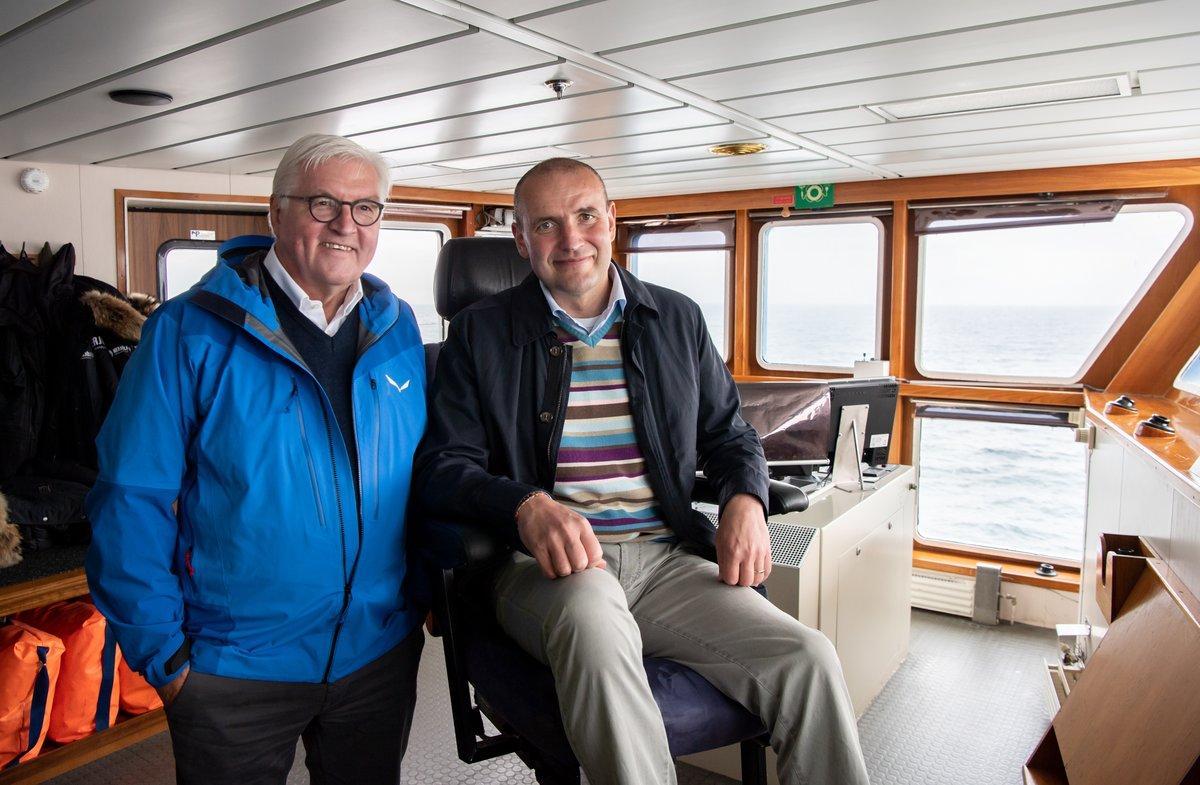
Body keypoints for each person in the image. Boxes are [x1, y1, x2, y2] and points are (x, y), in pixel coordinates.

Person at [414, 158, 869, 785]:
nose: (571, 240)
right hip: (545, 570)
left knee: (809, 658)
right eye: (546, 225)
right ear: (520, 240)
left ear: (611, 220)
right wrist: (525, 506)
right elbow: (444, 467)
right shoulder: (477, 335)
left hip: (665, 560)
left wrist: (745, 500)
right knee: (596, 621)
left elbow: (730, 435)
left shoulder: (675, 319)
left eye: (584, 216)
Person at [86, 134, 428, 785]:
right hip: (231, 668)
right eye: (323, 203)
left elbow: (422, 476)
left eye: (365, 208)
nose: (344, 224)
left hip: (377, 655)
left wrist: (420, 596)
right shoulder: (188, 330)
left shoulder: (398, 326)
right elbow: (131, 497)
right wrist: (170, 658)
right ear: (275, 213)